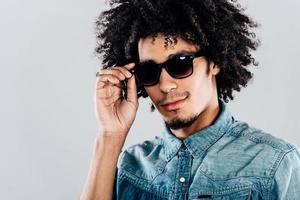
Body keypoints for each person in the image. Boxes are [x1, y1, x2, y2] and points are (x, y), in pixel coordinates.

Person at [80, 0, 300, 199]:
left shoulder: (276, 163)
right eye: (149, 72)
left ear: (214, 62)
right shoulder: (129, 167)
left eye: (180, 64)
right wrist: (110, 134)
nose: (165, 85)